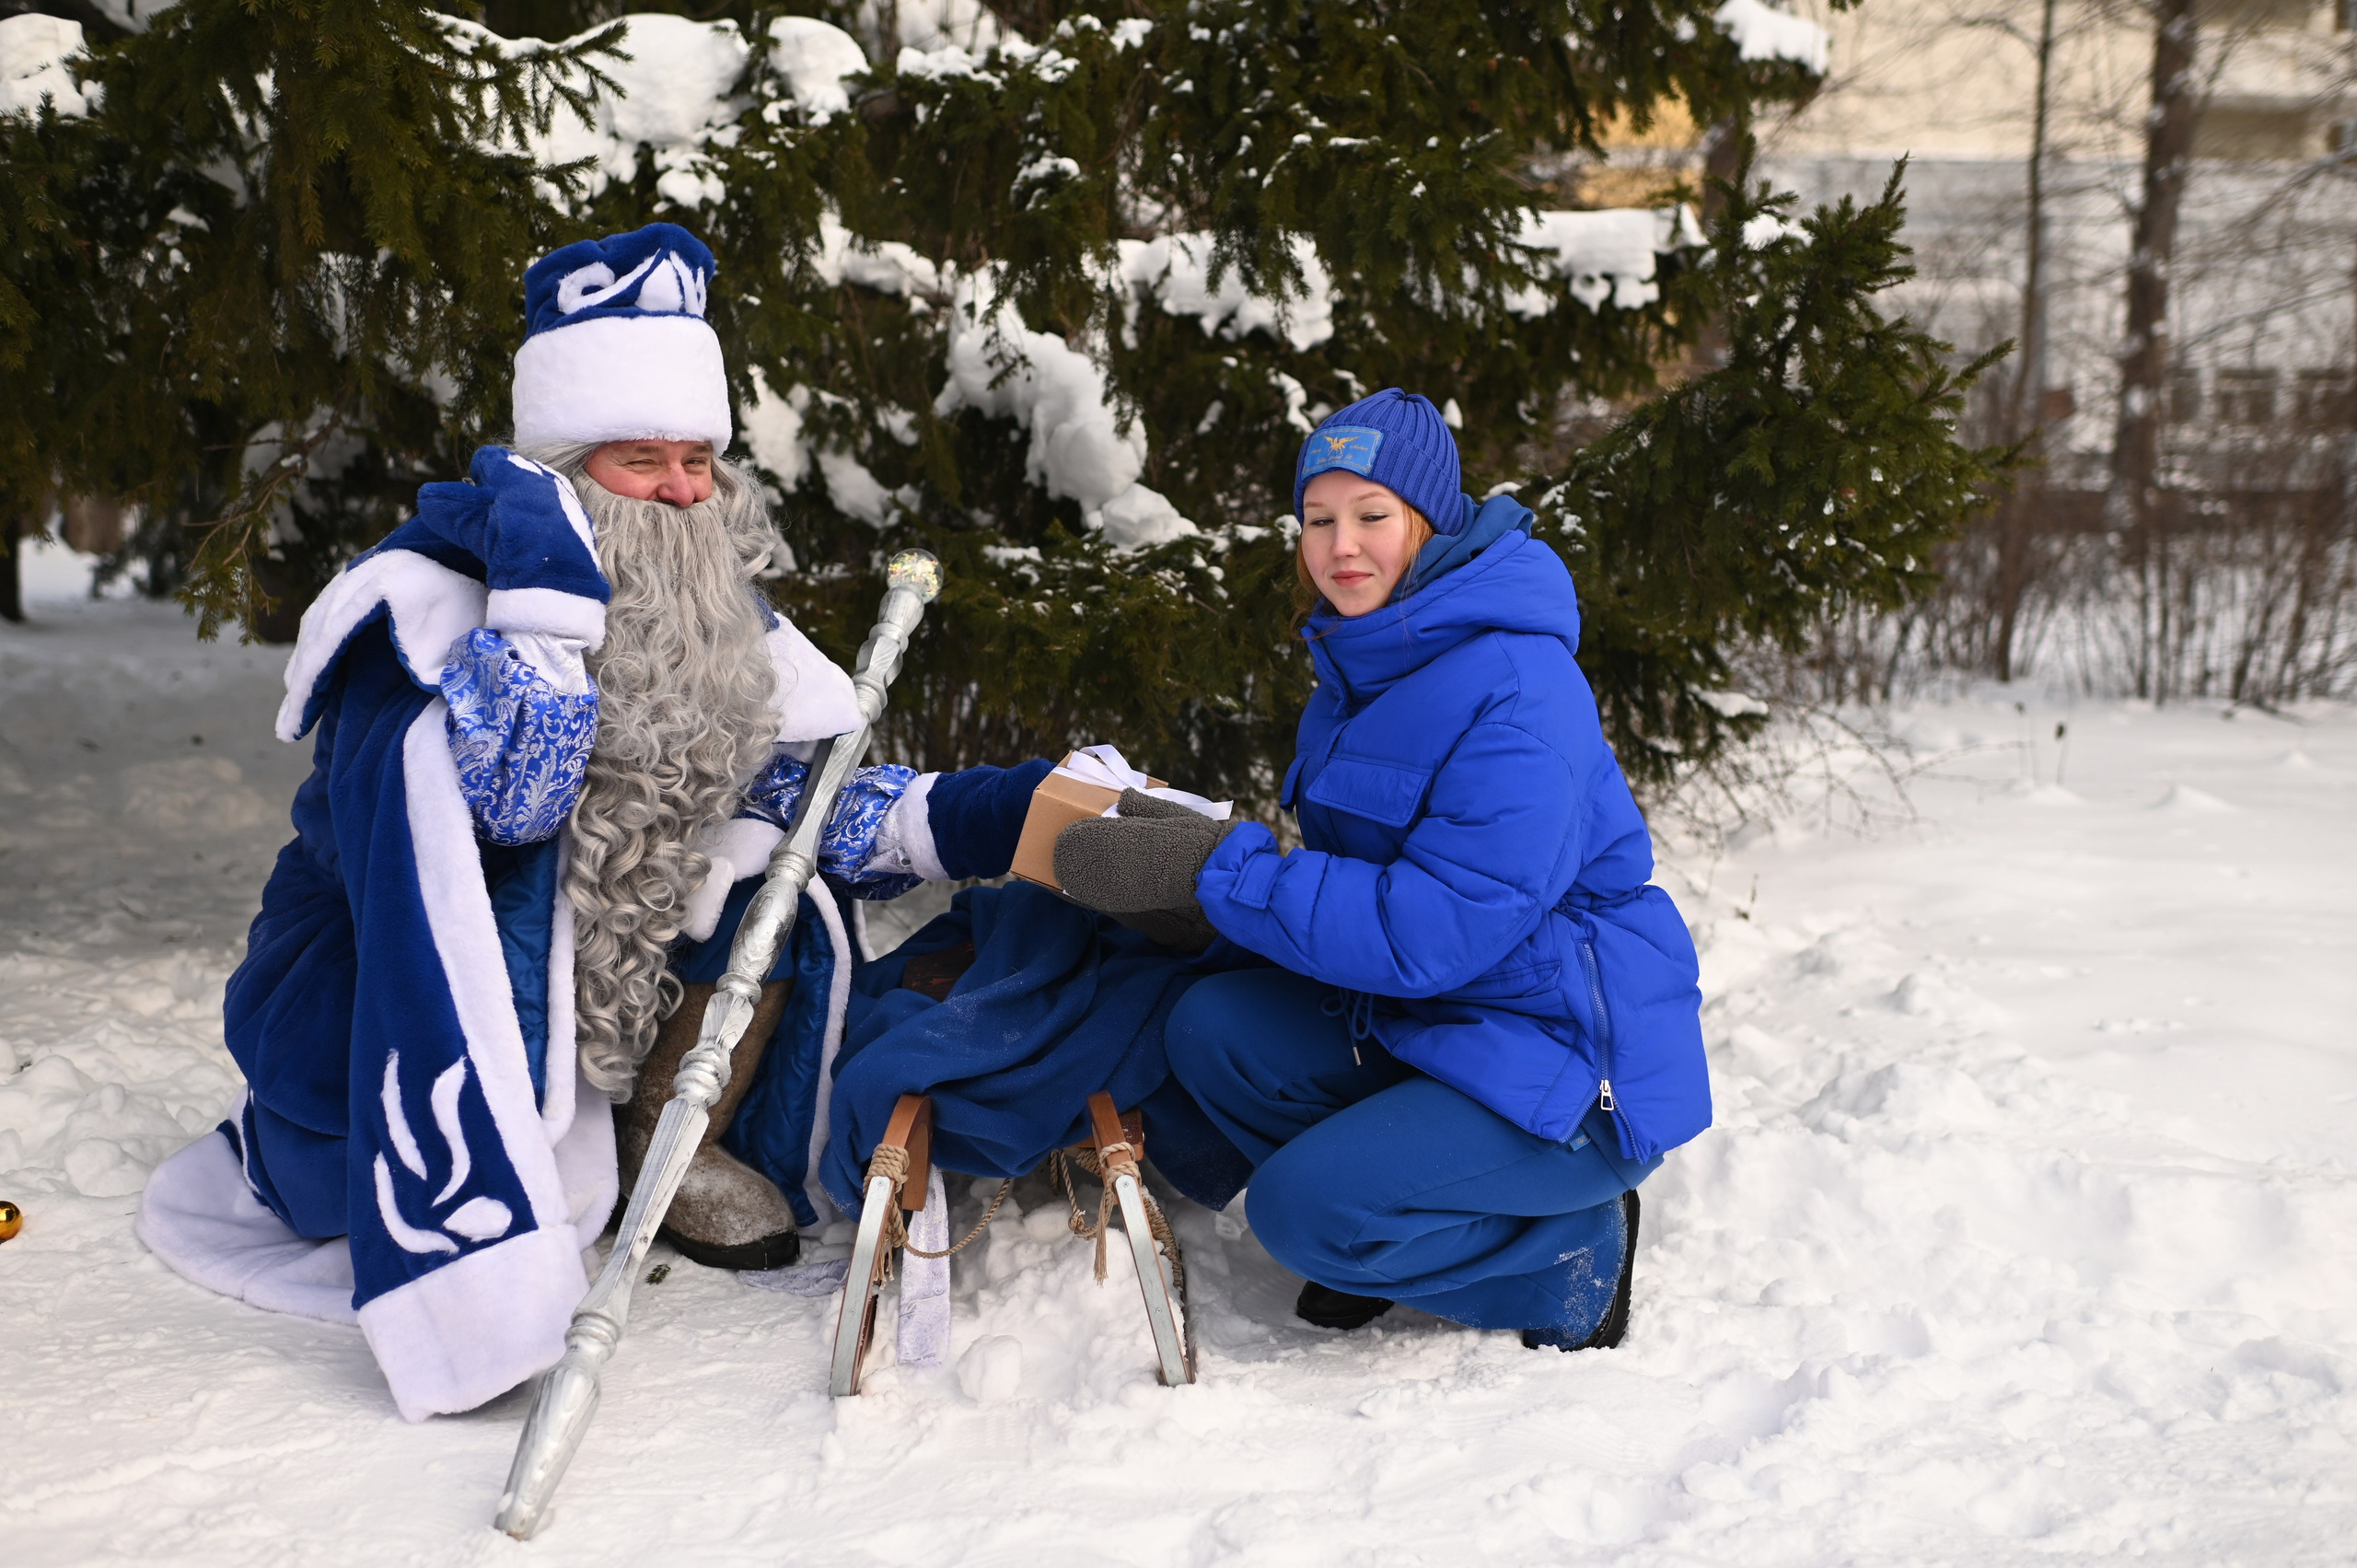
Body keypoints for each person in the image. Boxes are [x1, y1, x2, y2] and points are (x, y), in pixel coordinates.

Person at [134, 223, 1047, 1420]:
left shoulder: (704, 606)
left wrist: (989, 815)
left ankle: (674, 1134)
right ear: (561, 470)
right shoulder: (420, 613)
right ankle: (527, 1204)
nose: (680, 492)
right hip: (378, 1011)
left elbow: (790, 793)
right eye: (641, 460)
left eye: (697, 460)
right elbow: (511, 809)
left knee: (754, 874)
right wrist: (547, 609)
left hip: (598, 996)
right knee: (534, 919)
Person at [1050, 389, 1711, 1351]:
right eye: (1319, 518)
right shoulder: (1371, 661)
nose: (1339, 546)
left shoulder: (1519, 690)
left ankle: (1568, 1250)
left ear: (1428, 521)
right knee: (1214, 1028)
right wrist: (1198, 878)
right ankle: (1402, 1220)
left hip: (1561, 1064)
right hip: (1441, 1024)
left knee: (1298, 1214)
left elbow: (1432, 927)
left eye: (1371, 515)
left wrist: (1218, 871)